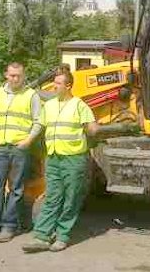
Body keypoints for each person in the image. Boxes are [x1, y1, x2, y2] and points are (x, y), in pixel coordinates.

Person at [22, 69, 99, 253]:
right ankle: (41, 236)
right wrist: (27, 140)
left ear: (68, 86)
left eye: (57, 83)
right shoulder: (49, 105)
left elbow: (92, 128)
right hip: (54, 158)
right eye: (54, 82)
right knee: (52, 197)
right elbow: (39, 125)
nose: (54, 86)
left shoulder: (79, 105)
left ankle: (63, 235)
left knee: (71, 198)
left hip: (73, 159)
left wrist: (94, 129)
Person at [0, 62, 43, 243]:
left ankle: (9, 226)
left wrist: (27, 141)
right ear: (6, 75)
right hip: (0, 147)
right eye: (12, 75)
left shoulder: (31, 95)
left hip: (19, 148)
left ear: (23, 76)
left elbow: (38, 121)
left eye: (19, 76)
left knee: (16, 189)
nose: (15, 79)